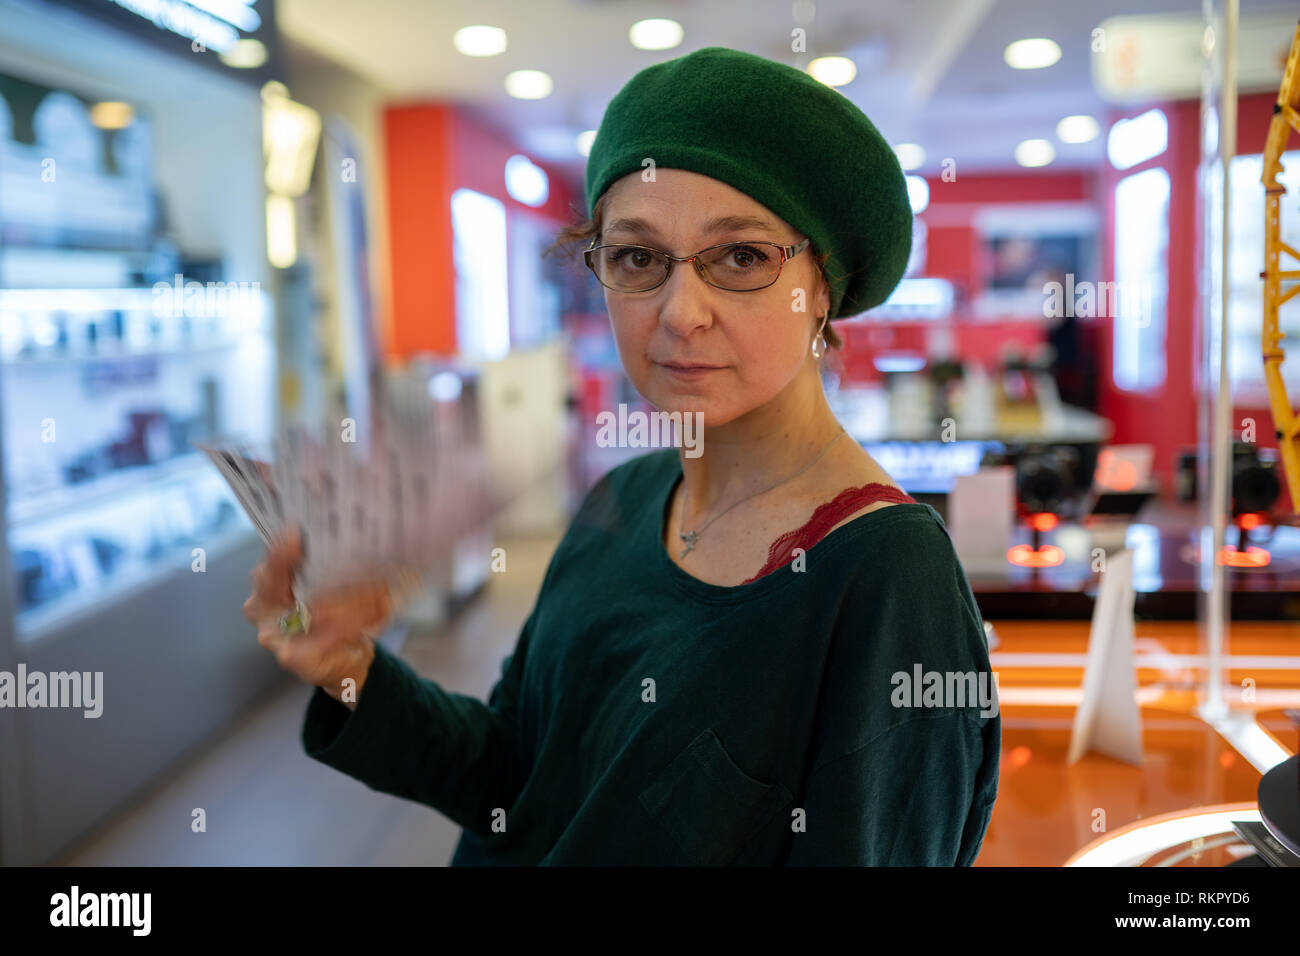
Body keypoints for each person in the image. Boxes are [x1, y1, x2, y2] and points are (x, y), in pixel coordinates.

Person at [243, 46, 999, 866]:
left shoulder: (888, 582)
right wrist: (353, 670)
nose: (680, 313)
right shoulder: (625, 499)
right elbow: (514, 779)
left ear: (824, 285)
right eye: (638, 257)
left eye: (741, 257)